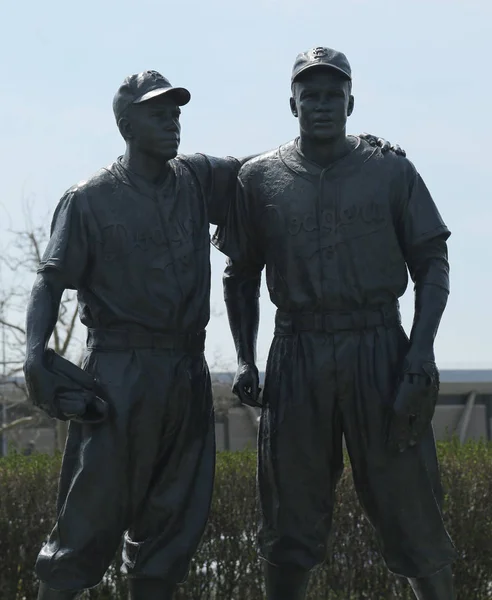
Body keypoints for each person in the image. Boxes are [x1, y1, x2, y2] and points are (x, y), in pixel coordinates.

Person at [23, 69, 398, 600]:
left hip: (186, 371)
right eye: (158, 114)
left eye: (176, 112)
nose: (173, 122)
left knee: (172, 527)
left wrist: (359, 148)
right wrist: (36, 354)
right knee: (90, 517)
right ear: (126, 125)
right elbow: (50, 279)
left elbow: (275, 170)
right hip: (120, 373)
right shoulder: (89, 199)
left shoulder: (197, 178)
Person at [213, 47, 457, 600]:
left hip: (380, 350)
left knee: (409, 503)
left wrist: (420, 355)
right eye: (310, 94)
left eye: (332, 94)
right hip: (297, 353)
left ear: (352, 100)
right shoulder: (259, 178)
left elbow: (432, 263)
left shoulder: (391, 170)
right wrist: (246, 356)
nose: (321, 104)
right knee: (289, 514)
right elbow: (239, 274)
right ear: (292, 102)